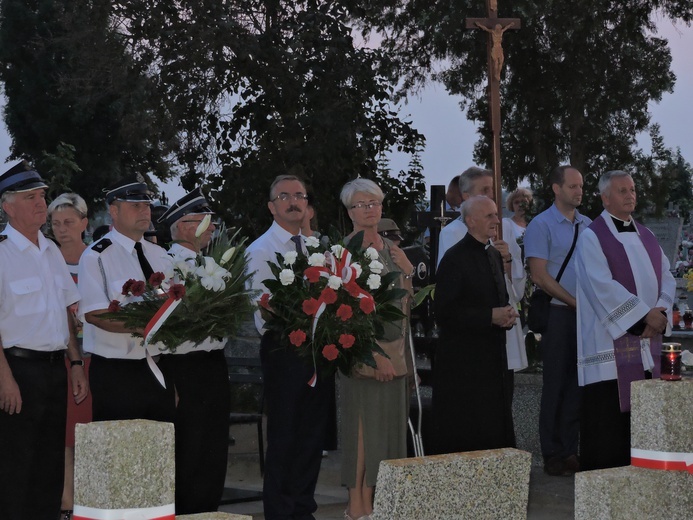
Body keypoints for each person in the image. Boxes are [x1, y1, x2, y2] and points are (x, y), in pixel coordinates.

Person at [0, 161, 88, 518]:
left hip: (55, 370)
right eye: (31, 197)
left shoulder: (50, 251)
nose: (41, 204)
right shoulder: (2, 253)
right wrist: (4, 379)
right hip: (18, 370)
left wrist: (77, 362)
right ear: (8, 206)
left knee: (50, 469)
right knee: (16, 469)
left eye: (41, 196)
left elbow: (65, 313)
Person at [576, 170, 675, 470]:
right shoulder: (592, 237)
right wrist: (644, 315)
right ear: (605, 198)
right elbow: (601, 286)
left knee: (642, 434)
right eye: (622, 191)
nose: (630, 195)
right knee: (609, 438)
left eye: (632, 189)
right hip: (609, 354)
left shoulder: (647, 235)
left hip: (647, 349)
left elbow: (667, 276)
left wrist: (660, 312)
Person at [246, 174, 331, 520]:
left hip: (319, 349)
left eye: (300, 195)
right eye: (285, 196)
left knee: (312, 437)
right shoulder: (261, 250)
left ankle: (302, 509)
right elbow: (263, 302)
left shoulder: (315, 247)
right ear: (271, 206)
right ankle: (280, 513)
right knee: (284, 436)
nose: (294, 201)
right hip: (284, 349)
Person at [339, 179, 414, 520]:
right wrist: (376, 354)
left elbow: (403, 305)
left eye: (374, 202)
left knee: (388, 431)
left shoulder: (391, 248)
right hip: (365, 356)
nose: (369, 208)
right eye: (361, 204)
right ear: (350, 211)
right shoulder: (344, 251)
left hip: (396, 354)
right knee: (362, 430)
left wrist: (408, 272)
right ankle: (357, 506)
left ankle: (379, 502)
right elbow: (344, 312)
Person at [155, 188, 230, 513]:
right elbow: (161, 325)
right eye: (204, 221)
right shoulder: (168, 264)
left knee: (214, 451)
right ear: (183, 226)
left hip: (213, 364)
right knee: (189, 452)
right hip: (183, 367)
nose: (211, 228)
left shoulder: (211, 262)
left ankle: (209, 512)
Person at [78, 178, 175, 422]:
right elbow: (95, 314)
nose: (144, 211)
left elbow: (174, 305)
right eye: (135, 206)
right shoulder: (97, 256)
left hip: (157, 366)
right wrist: (148, 326)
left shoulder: (160, 255)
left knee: (159, 453)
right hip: (116, 372)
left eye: (146, 205)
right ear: (114, 211)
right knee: (117, 453)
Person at [432, 196, 518, 454]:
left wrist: (506, 315)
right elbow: (445, 313)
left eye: (496, 214)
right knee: (468, 431)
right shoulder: (454, 258)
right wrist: (489, 316)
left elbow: (498, 298)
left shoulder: (492, 254)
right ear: (470, 220)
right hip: (463, 366)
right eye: (490, 216)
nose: (496, 221)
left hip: (493, 359)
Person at [524, 165, 591, 476]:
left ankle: (570, 449)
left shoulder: (588, 225)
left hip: (584, 315)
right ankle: (551, 452)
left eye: (581, 186)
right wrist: (573, 301)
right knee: (555, 385)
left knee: (578, 384)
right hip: (557, 313)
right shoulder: (541, 225)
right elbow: (539, 275)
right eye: (573, 186)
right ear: (556, 188)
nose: (579, 191)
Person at [48, 192, 93, 520]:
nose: (61, 229)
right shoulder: (47, 260)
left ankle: (88, 504)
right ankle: (66, 505)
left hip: (95, 356)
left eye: (68, 222)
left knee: (88, 433)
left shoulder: (96, 259)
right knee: (64, 434)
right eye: (55, 223)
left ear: (84, 223)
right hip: (59, 357)